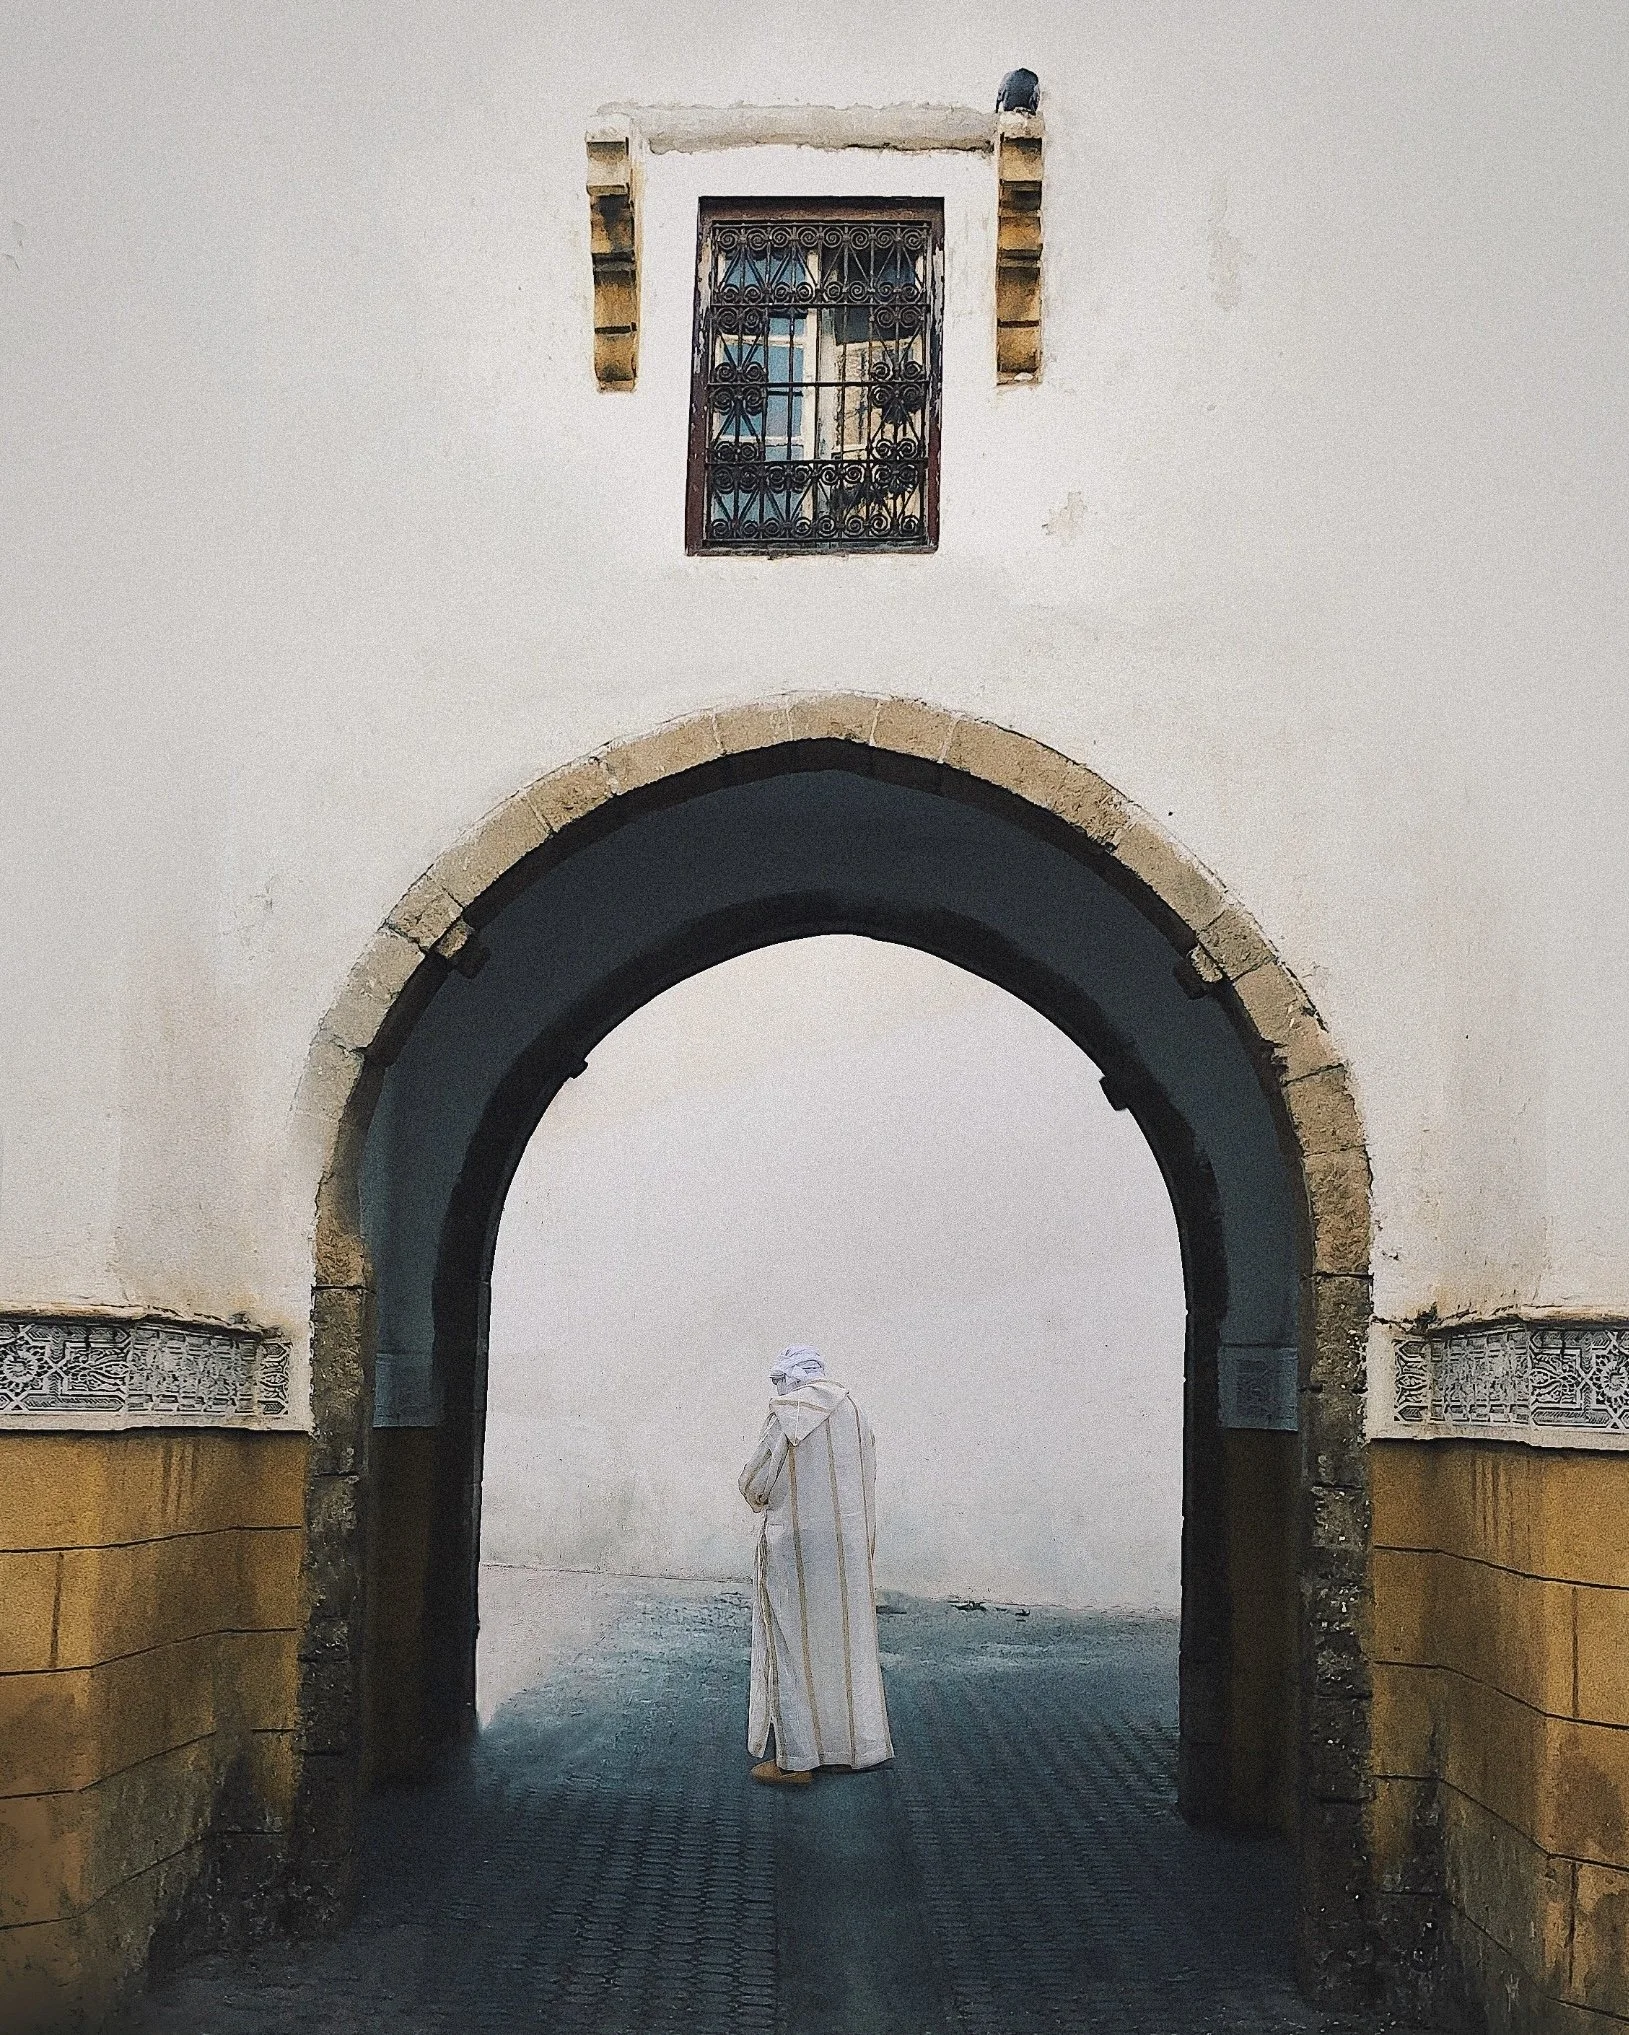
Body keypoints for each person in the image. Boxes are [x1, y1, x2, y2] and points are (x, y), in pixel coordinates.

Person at [739, 1345, 894, 1784]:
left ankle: (796, 1761)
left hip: (795, 1549)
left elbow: (755, 1483)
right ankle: (852, 1750)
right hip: (845, 1550)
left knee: (792, 1647)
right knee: (844, 1648)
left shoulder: (787, 1415)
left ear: (791, 1378)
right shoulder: (855, 1411)